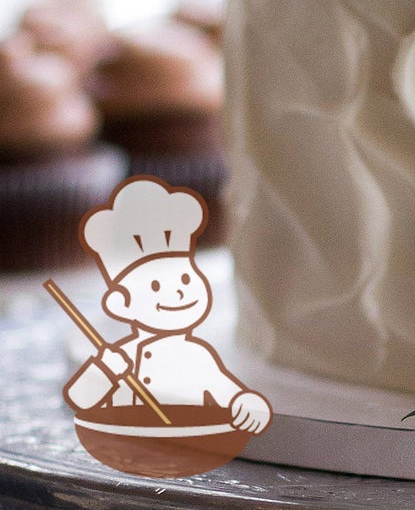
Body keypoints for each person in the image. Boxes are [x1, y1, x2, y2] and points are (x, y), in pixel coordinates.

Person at [61, 175, 270, 432]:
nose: (180, 293)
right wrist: (106, 370)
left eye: (185, 278)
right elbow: (80, 399)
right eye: (156, 287)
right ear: (120, 304)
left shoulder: (197, 355)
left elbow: (228, 391)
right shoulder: (122, 356)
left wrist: (245, 403)